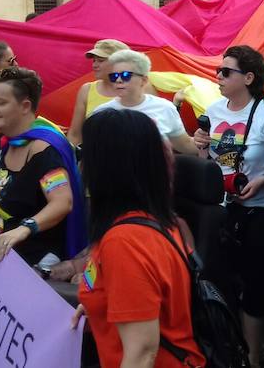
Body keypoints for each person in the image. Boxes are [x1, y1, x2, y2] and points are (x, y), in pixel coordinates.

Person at [192, 44, 264, 368]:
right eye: (218, 71)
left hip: (262, 212)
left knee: (254, 282)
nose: (219, 76)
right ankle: (231, 343)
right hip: (223, 210)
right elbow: (209, 164)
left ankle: (253, 356)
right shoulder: (212, 111)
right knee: (224, 279)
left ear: (249, 77)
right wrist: (200, 147)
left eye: (226, 71)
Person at [74, 108, 205, 368]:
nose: (80, 162)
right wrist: (99, 304)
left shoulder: (125, 241)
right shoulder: (151, 219)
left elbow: (142, 353)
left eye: (85, 152)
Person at [0, 67, 85, 268]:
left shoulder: (44, 151)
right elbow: (5, 185)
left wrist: (24, 229)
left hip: (36, 263)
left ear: (25, 106)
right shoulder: (6, 141)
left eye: (1, 102)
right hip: (4, 256)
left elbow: (62, 203)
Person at [92, 50, 198, 155]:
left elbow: (185, 145)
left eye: (125, 75)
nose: (118, 80)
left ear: (144, 80)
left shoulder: (165, 107)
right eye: (114, 76)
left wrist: (203, 141)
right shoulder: (101, 112)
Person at [67, 39, 130, 146]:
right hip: (91, 158)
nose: (95, 65)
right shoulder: (86, 90)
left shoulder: (134, 90)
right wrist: (69, 158)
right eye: (94, 60)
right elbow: (75, 134)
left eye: (100, 60)